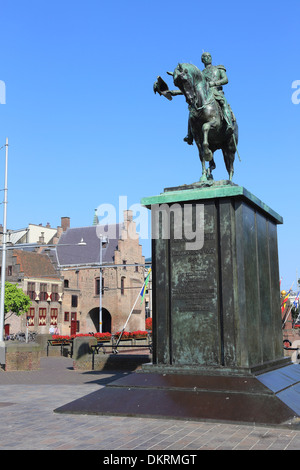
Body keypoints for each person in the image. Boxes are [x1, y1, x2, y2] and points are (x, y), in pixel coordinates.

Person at [184, 52, 234, 144]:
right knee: (192, 110)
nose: (208, 58)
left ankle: (229, 124)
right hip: (206, 94)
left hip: (217, 92)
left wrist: (213, 83)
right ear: (202, 60)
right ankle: (189, 134)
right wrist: (173, 92)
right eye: (205, 57)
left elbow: (225, 79)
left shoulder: (219, 68)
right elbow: (192, 88)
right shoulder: (201, 74)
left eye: (209, 56)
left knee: (223, 102)